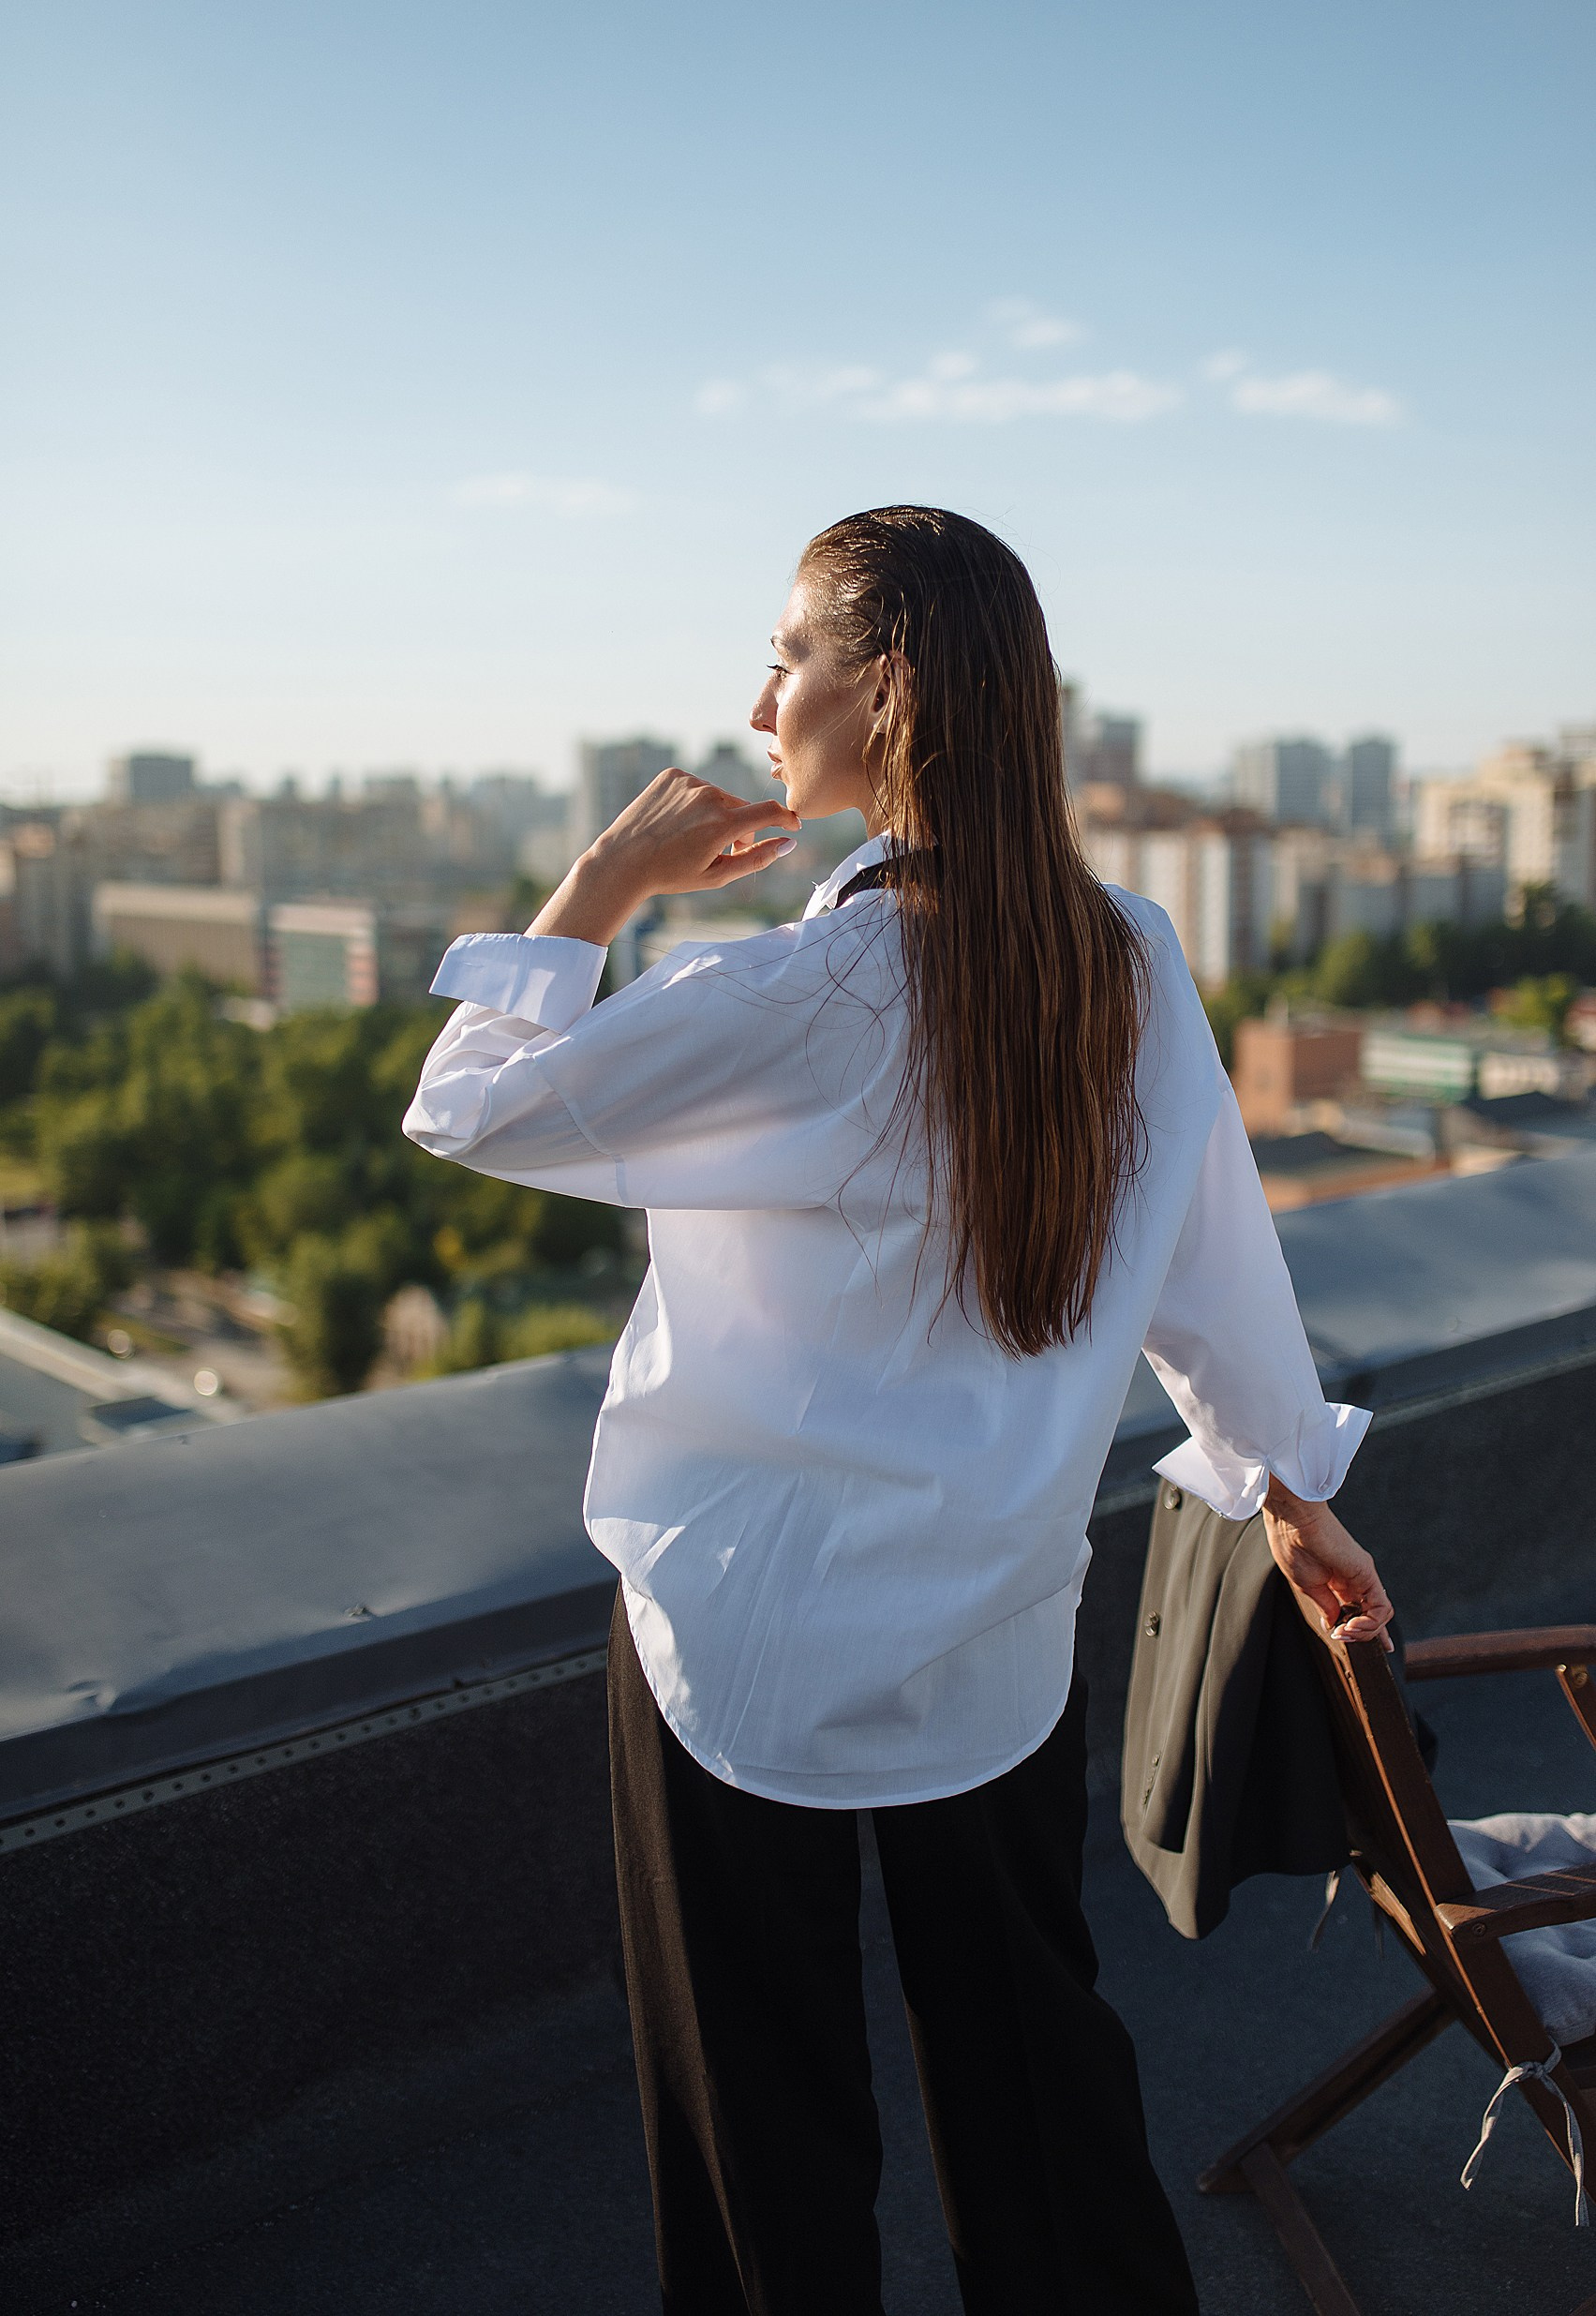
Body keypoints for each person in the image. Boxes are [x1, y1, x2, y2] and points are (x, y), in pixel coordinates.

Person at [403, 507, 1394, 2316]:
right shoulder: (1129, 956)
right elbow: (1214, 1267)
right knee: (1036, 2074)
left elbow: (470, 1104)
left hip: (741, 1625)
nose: (759, 699)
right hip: (994, 1623)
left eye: (788, 655)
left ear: (891, 690)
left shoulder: (807, 987)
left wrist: (606, 881)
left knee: (760, 2117)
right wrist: (1286, 1486)